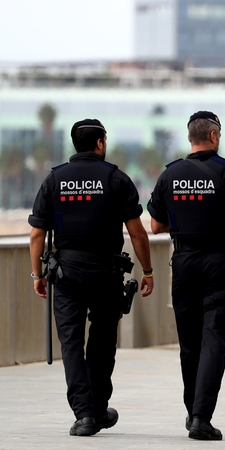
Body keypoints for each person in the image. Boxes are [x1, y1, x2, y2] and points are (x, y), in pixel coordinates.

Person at [28, 119, 154, 436]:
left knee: (70, 343)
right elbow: (137, 234)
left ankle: (85, 414)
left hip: (66, 273)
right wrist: (148, 270)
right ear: (100, 143)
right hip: (105, 273)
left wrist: (37, 274)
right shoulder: (116, 178)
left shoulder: (54, 179)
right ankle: (97, 408)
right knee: (102, 341)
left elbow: (36, 235)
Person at [148, 111, 225, 441]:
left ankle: (191, 412)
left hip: (183, 263)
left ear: (190, 138)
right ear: (214, 136)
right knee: (214, 340)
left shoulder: (171, 175)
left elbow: (155, 226)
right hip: (220, 263)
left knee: (189, 344)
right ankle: (201, 417)